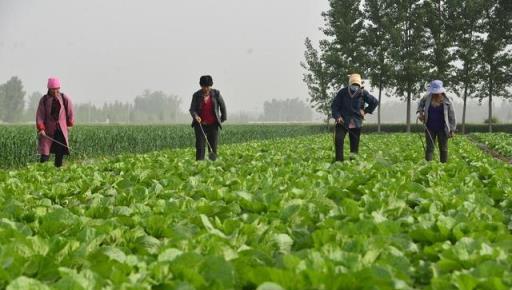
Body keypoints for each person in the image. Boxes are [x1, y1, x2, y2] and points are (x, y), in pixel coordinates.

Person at [331, 73, 379, 162]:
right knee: (338, 139)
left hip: (356, 122)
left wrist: (365, 111)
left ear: (360, 85)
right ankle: (339, 161)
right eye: (353, 85)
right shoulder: (343, 92)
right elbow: (334, 106)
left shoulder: (363, 93)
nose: (355, 86)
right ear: (350, 84)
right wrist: (337, 116)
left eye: (357, 85)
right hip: (343, 122)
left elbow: (375, 102)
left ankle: (353, 162)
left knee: (354, 144)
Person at [36, 77, 75, 167]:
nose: (55, 91)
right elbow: (40, 115)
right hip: (47, 131)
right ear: (49, 89)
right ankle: (42, 172)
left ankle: (58, 171)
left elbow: (70, 111)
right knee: (45, 153)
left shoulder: (64, 98)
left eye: (57, 89)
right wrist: (41, 128)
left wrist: (70, 124)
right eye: (53, 89)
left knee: (59, 152)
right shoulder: (44, 100)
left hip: (60, 130)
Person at [417, 80, 456, 163]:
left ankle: (443, 165)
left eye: (437, 92)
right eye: (434, 92)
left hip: (443, 128)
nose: (436, 94)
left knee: (444, 148)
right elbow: (420, 105)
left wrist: (452, 130)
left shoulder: (447, 100)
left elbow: (452, 115)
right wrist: (421, 114)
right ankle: (428, 165)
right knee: (430, 147)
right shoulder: (427, 97)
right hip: (430, 127)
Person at [189, 75, 227, 161]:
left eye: (207, 86)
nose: (205, 88)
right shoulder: (196, 95)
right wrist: (196, 116)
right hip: (200, 125)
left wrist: (221, 119)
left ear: (210, 85)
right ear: (201, 85)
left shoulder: (216, 94)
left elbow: (223, 107)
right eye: (203, 86)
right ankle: (199, 164)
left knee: (213, 147)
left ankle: (212, 165)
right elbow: (192, 109)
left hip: (213, 125)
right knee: (200, 147)